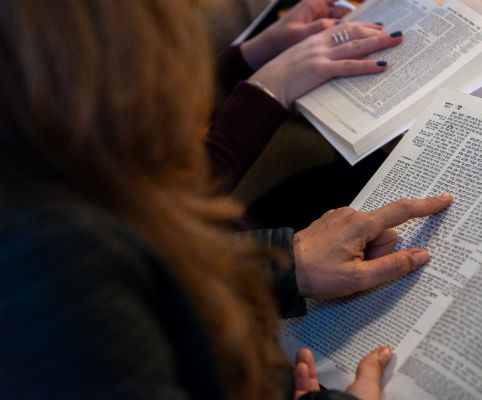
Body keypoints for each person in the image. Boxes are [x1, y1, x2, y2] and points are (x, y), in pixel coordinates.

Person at [0, 1, 452, 399]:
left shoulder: (48, 180)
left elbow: (148, 253)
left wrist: (284, 260)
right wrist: (269, 86)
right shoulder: (52, 261)